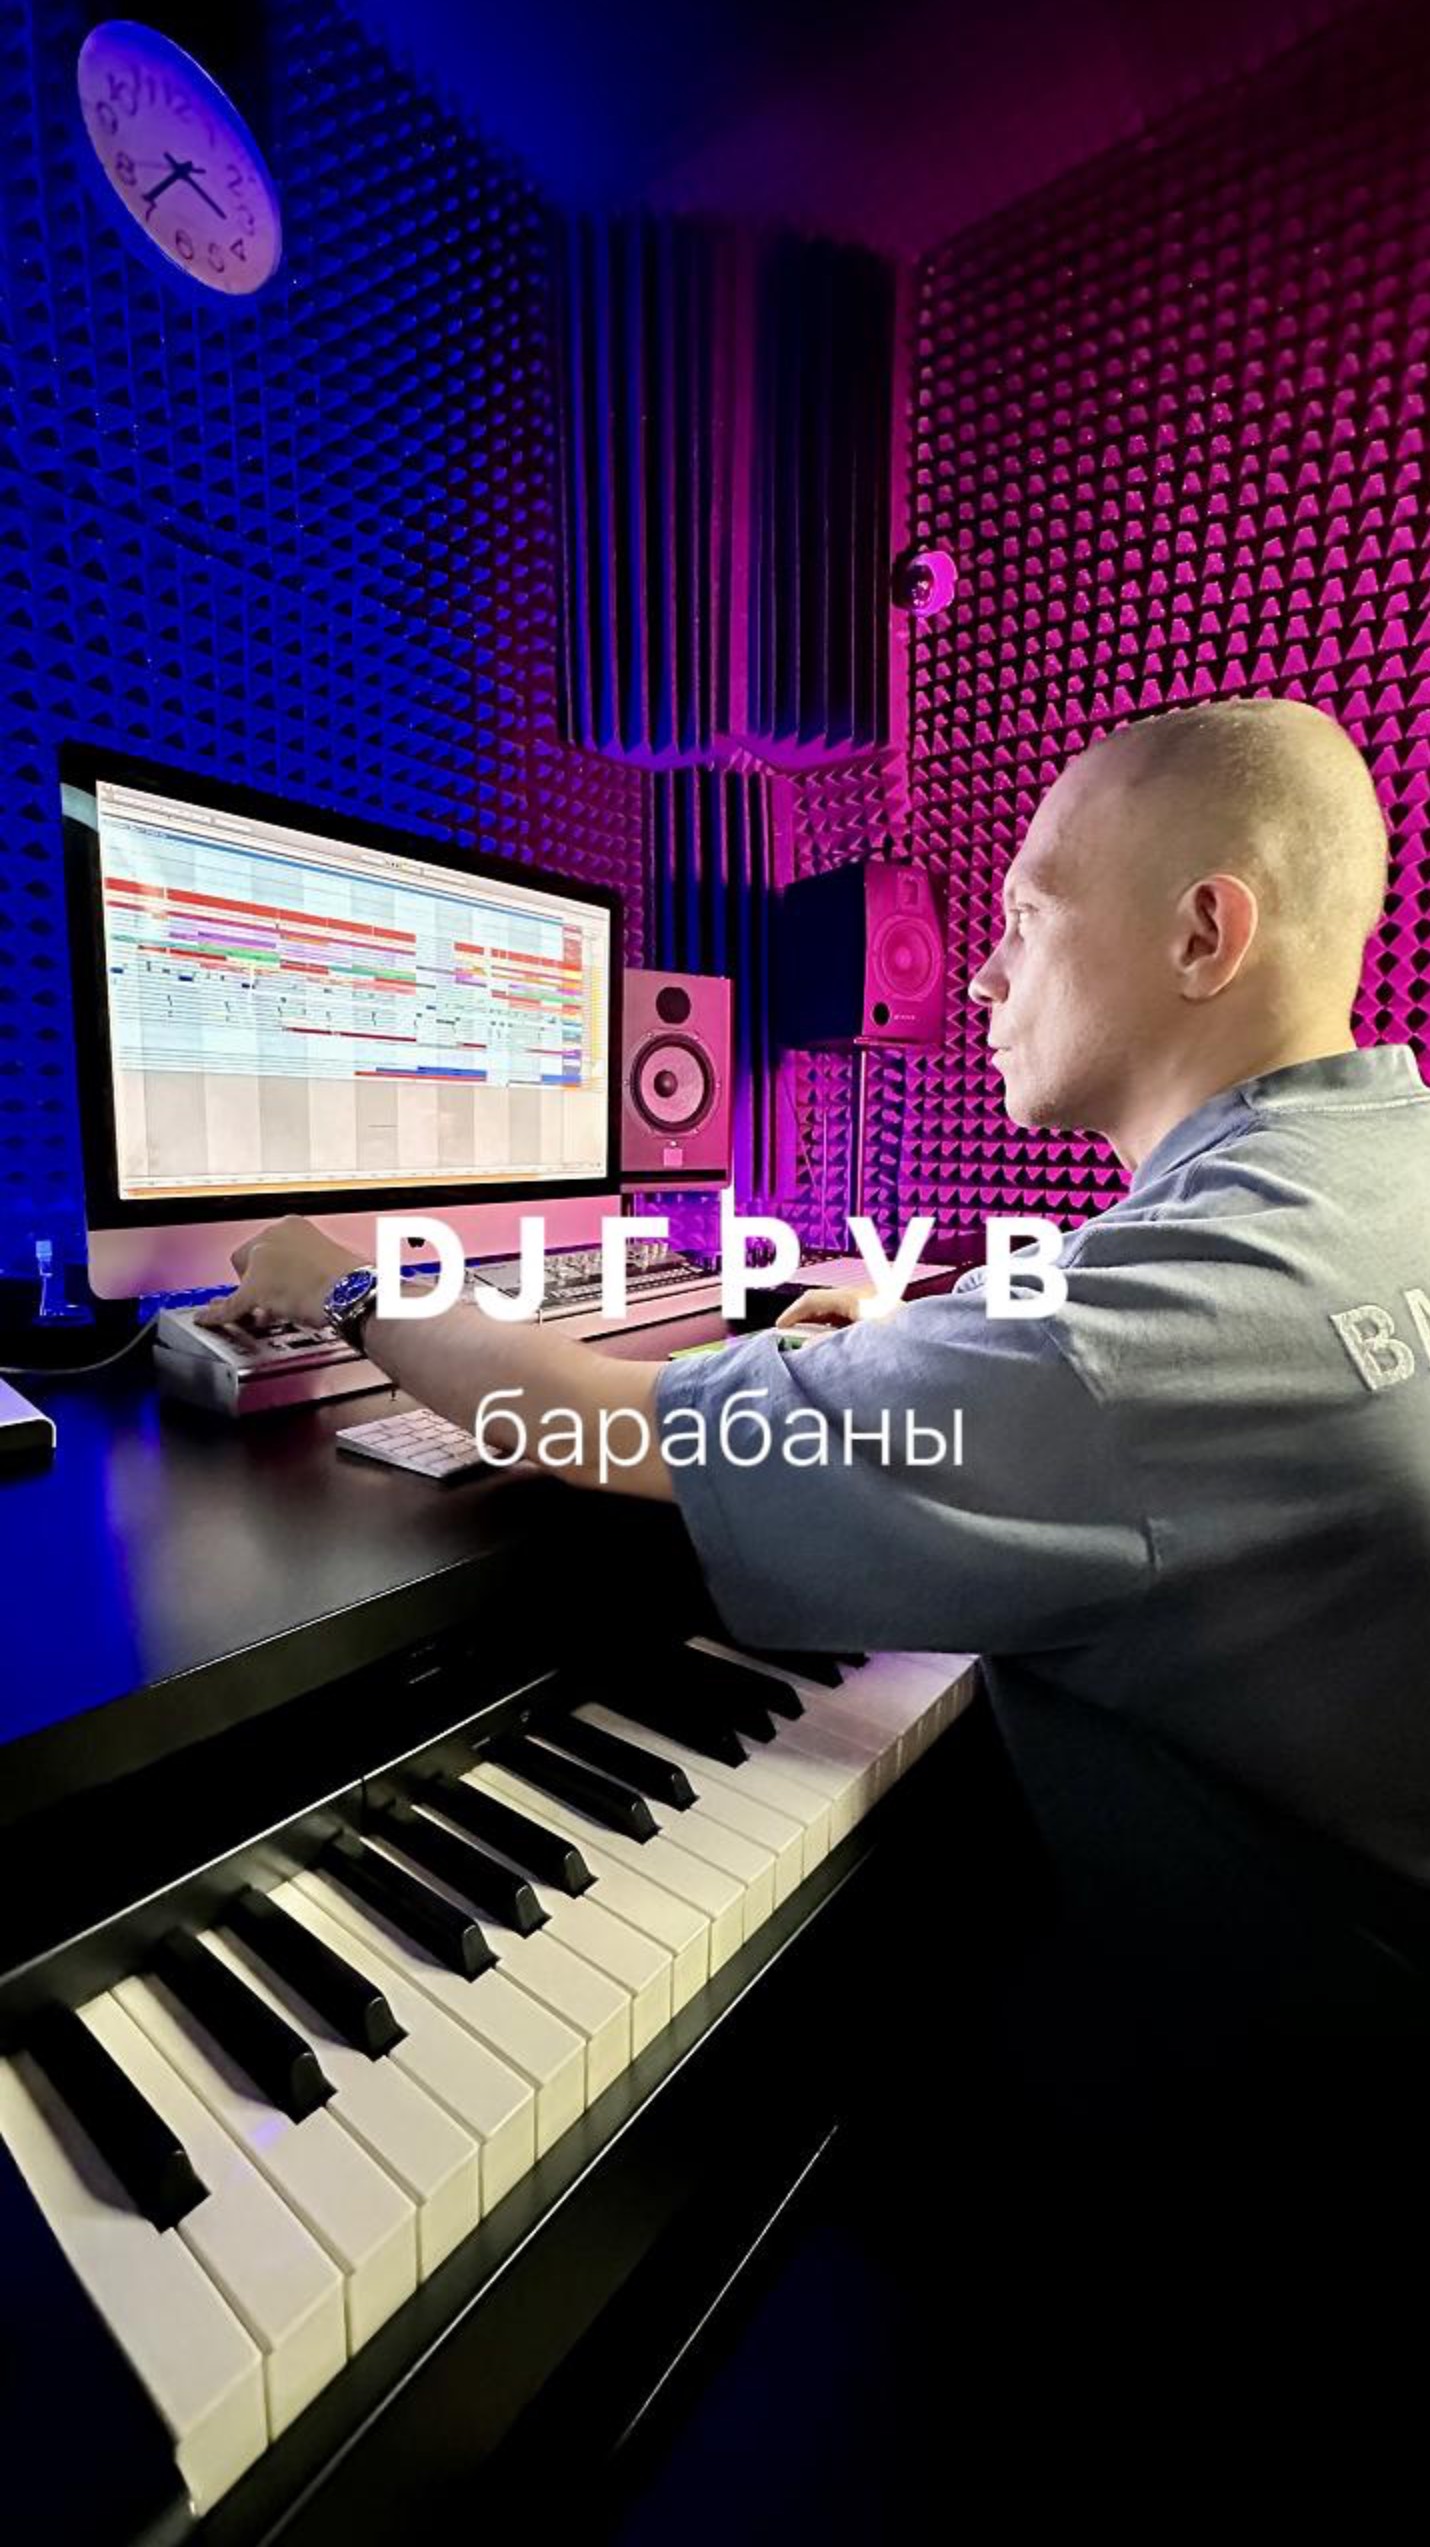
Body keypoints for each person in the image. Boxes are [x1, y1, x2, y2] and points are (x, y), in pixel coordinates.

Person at [205, 694, 1430, 2502]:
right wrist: (915, 1342)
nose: (982, 977)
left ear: (1202, 933)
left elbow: (586, 1417)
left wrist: (338, 1280)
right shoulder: (1370, 1167)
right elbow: (1135, 1348)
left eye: (1023, 914)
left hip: (1293, 2147)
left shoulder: (1162, 1329)